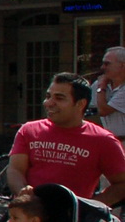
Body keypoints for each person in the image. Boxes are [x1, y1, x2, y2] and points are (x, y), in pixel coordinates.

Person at [8, 73, 125, 204]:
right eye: (48, 96)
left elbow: (121, 184)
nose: (48, 103)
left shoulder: (103, 140)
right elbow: (15, 169)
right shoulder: (29, 130)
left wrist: (90, 208)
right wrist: (24, 194)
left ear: (80, 104)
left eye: (59, 98)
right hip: (26, 220)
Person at [95, 47, 125, 141]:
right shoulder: (100, 83)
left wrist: (101, 88)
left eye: (107, 64)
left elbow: (103, 111)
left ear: (122, 65)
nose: (102, 67)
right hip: (107, 140)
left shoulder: (101, 85)